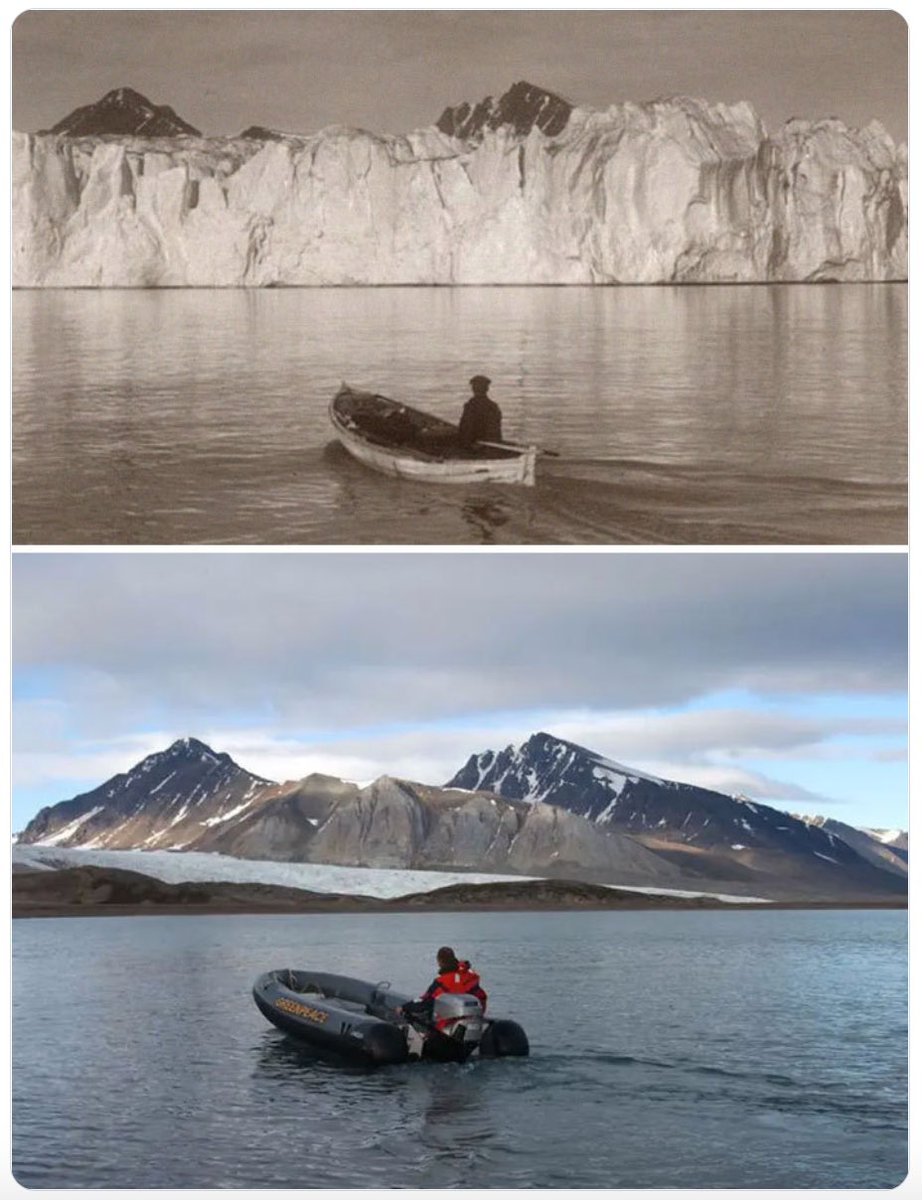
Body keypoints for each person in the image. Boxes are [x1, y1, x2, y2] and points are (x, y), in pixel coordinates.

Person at [401, 946, 488, 1028]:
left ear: (440, 962)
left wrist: (404, 1007)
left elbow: (425, 1002)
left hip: (447, 1029)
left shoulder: (441, 982)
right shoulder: (470, 977)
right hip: (472, 1024)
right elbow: (481, 998)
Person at [458, 375, 503, 449]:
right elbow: (496, 431)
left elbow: (465, 428)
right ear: (487, 389)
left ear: (473, 389)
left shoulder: (470, 406)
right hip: (490, 444)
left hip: (475, 446)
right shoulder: (493, 406)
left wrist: (468, 444)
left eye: (475, 387)